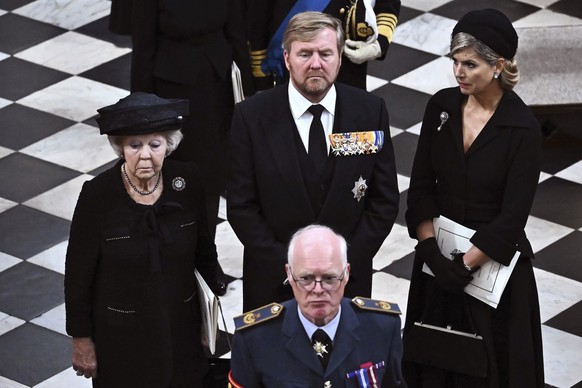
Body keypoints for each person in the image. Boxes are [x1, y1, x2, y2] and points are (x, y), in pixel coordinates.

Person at [402, 9, 544, 387]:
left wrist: (464, 265)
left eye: (470, 64)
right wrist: (431, 251)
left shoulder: (523, 128)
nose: (459, 73)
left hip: (491, 271)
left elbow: (513, 218)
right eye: (455, 62)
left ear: (498, 66)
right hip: (437, 264)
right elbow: (419, 189)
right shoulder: (441, 107)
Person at [227, 11, 400, 311]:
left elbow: (384, 202)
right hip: (274, 282)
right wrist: (293, 269)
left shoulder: (370, 111)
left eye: (325, 53)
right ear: (286, 58)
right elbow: (241, 206)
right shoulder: (251, 116)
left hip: (348, 280)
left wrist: (343, 264)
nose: (316, 64)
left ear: (340, 58)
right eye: (305, 54)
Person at [64, 92, 221, 387]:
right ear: (120, 148)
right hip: (122, 337)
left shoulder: (187, 182)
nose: (145, 154)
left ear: (169, 145)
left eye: (155, 144)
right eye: (135, 145)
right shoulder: (98, 195)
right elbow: (77, 273)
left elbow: (204, 251)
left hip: (180, 329)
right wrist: (81, 338)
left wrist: (209, 320)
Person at [130, 0, 255, 241]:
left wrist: (249, 87)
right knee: (174, 175)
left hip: (217, 86)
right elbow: (144, 43)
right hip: (171, 90)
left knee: (212, 174)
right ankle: (173, 249)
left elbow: (237, 29)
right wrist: (140, 108)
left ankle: (205, 252)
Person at [228, 224, 406, 387]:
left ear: (346, 274)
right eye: (306, 278)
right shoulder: (254, 338)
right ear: (289, 275)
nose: (318, 289)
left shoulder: (383, 328)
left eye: (329, 278)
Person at [247, 0, 400, 90]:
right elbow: (259, 12)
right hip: (288, 66)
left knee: (347, 136)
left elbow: (387, 4)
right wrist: (261, 74)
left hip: (345, 66)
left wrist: (378, 45)